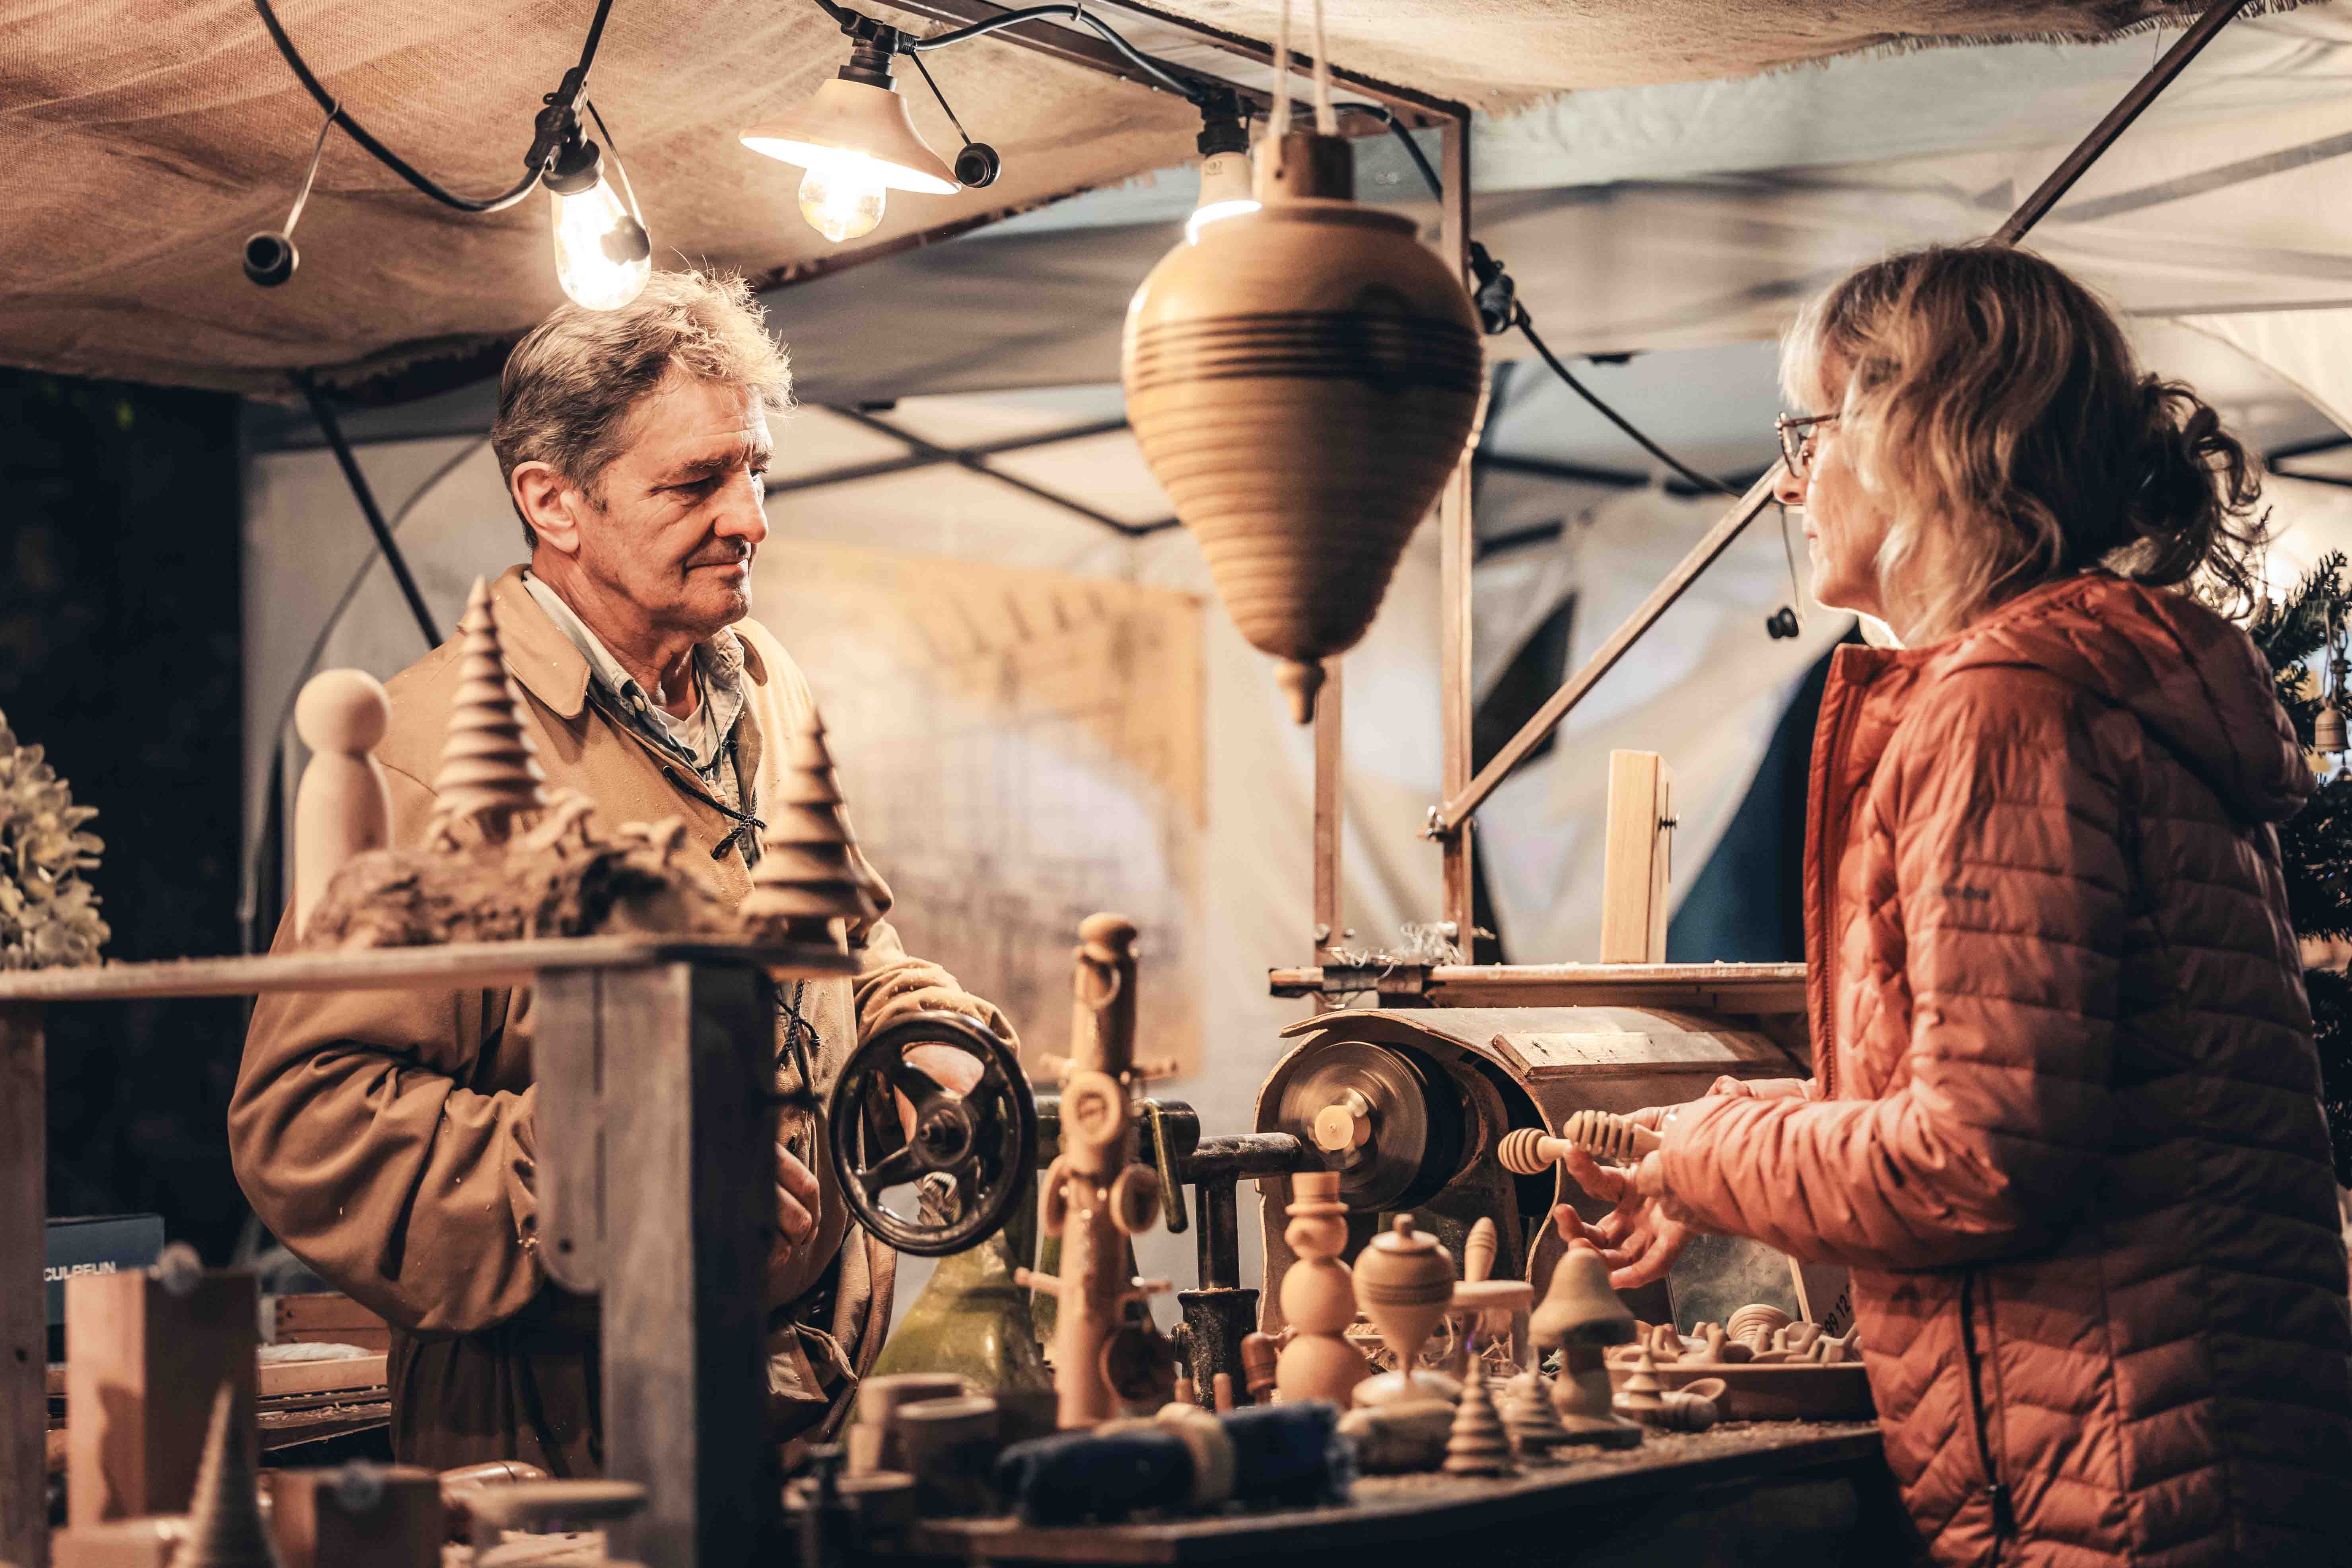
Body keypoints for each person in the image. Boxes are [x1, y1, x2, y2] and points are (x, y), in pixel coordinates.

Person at [1557, 243, 2352, 1566]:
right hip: (2160, 1442)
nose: (1790, 478)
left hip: (2120, 1488)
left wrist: (1707, 1156)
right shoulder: (2078, 685)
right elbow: (1999, 1095)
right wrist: (1722, 1133)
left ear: (1930, 440)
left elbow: (1978, 1163)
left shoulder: (2005, 709)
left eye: (1808, 429)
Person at [230, 270, 1011, 1472]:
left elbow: (845, 944)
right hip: (560, 1435)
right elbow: (309, 1124)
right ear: (553, 500)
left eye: (755, 468)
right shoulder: (429, 757)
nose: (749, 517)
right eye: (697, 481)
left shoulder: (763, 685)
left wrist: (919, 1031)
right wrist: (634, 1181)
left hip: (802, 1384)